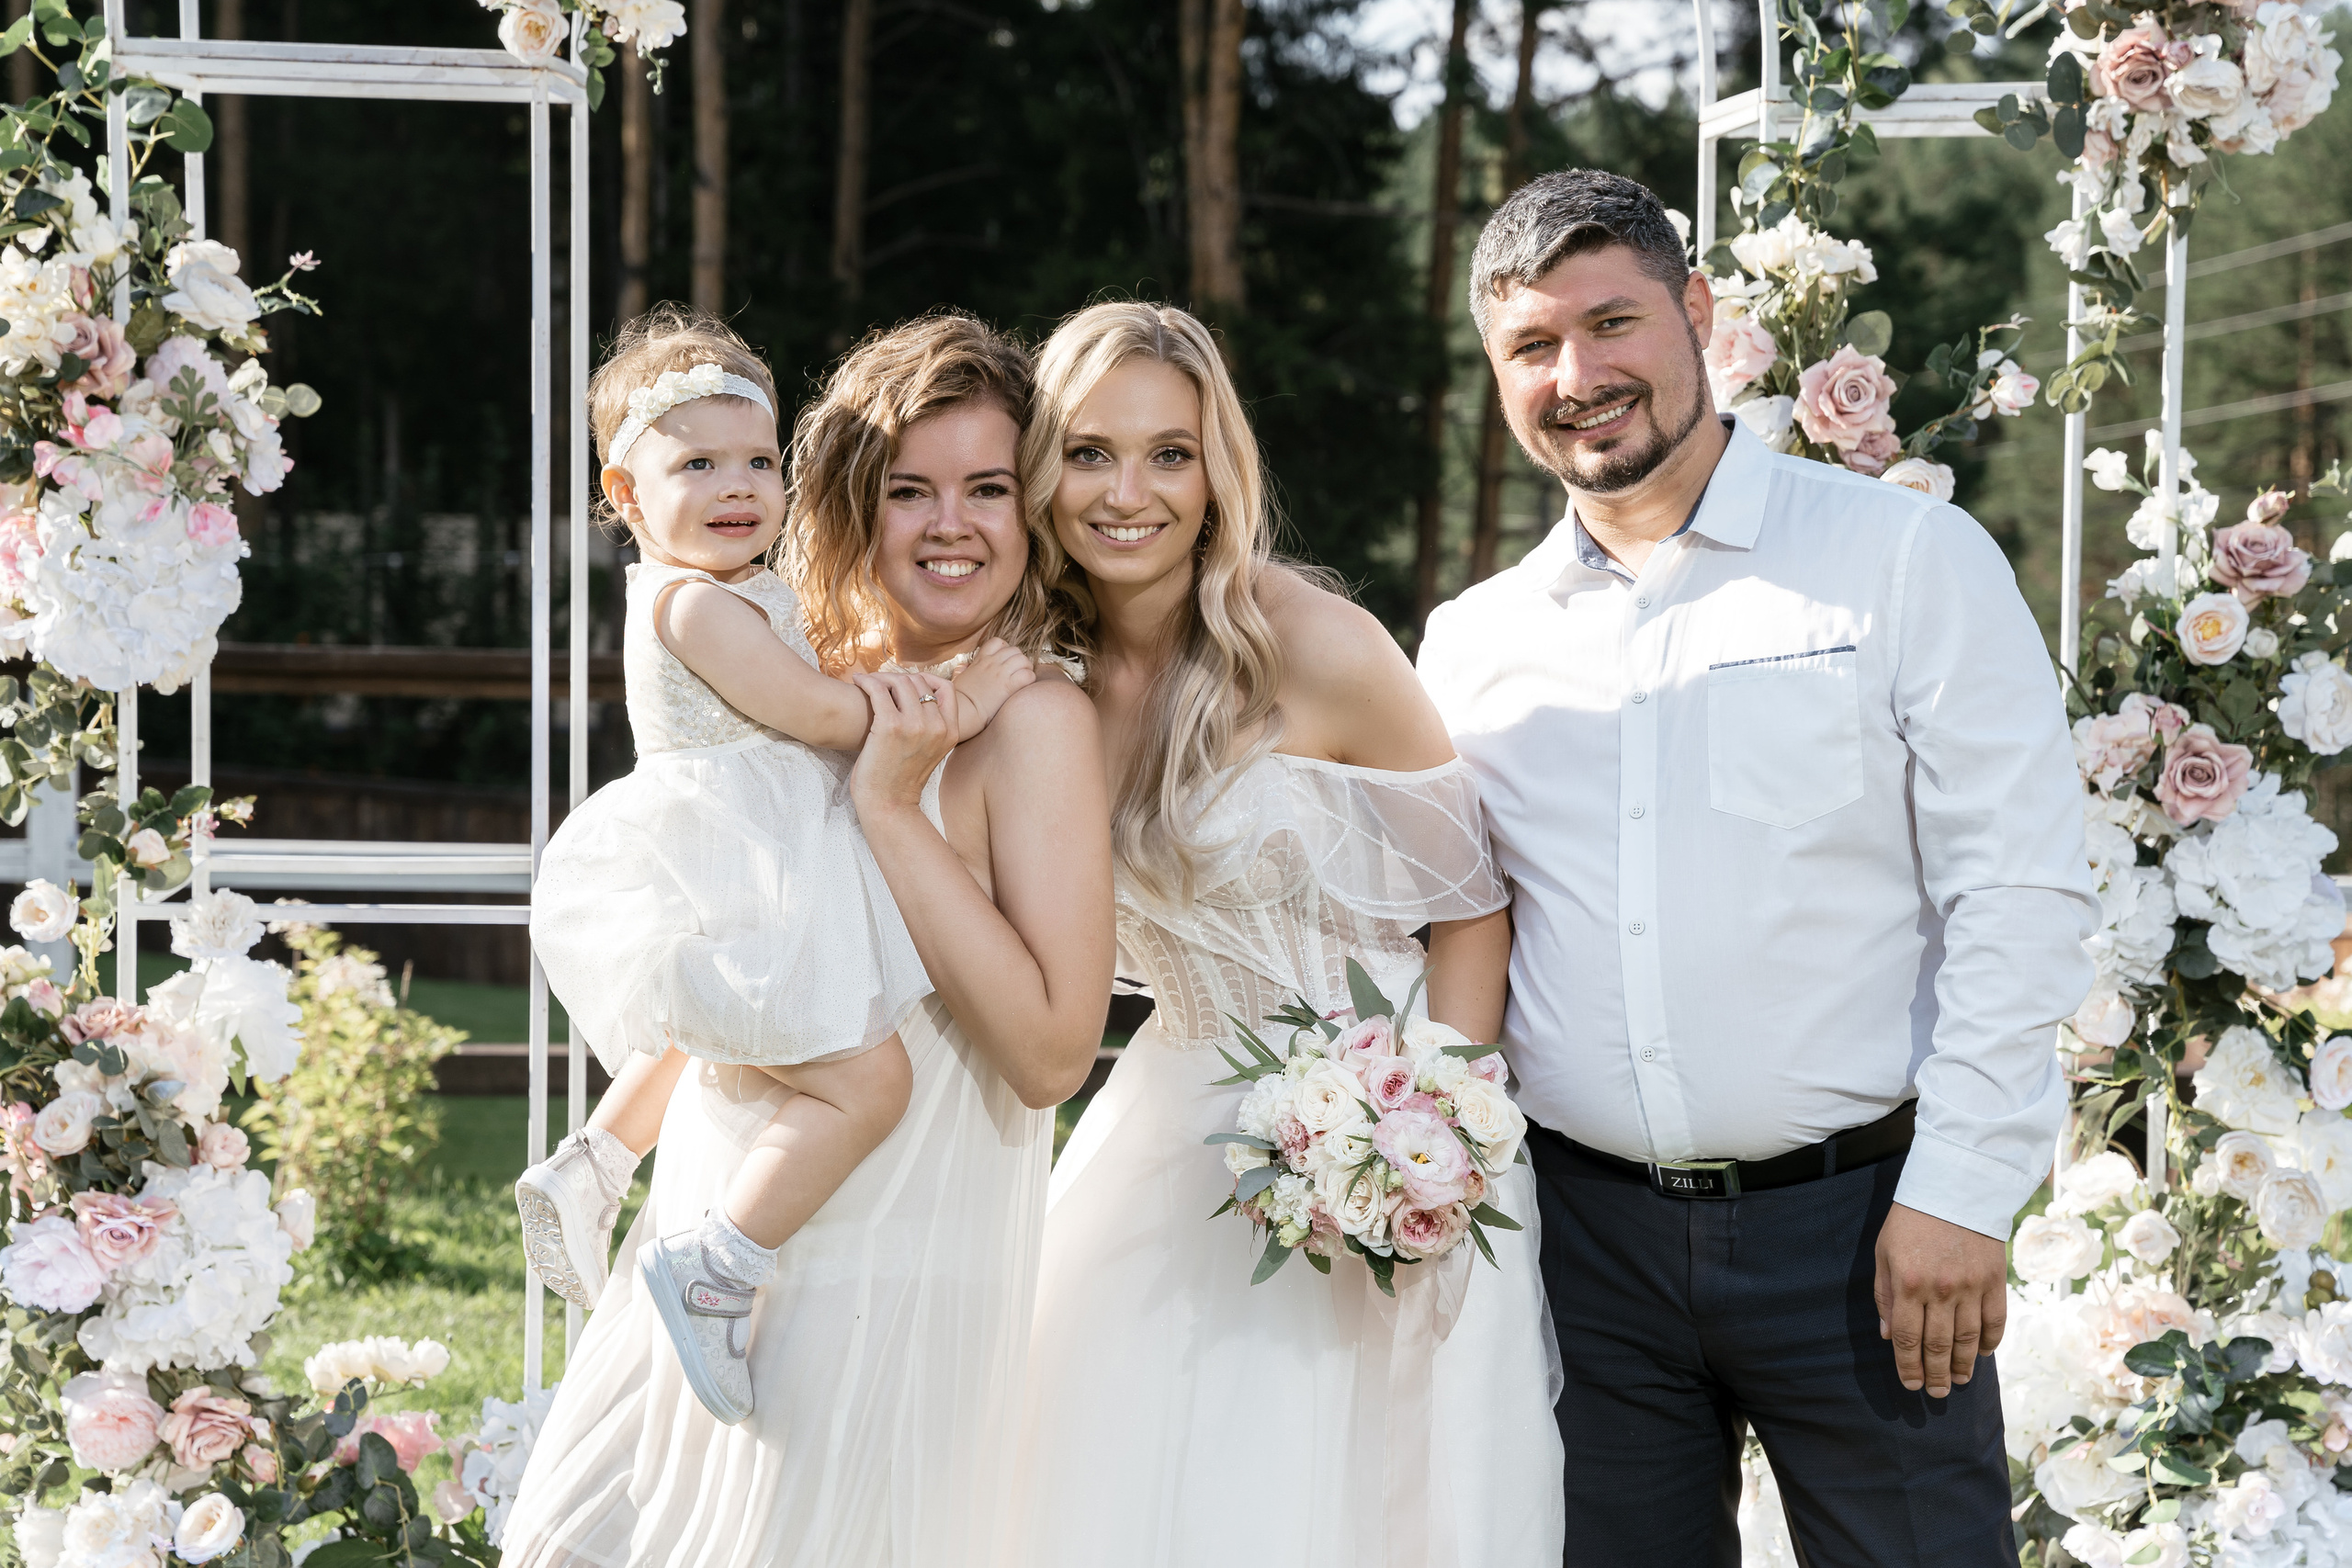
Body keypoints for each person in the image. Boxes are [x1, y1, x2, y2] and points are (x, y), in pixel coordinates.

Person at [1416, 169, 2098, 1565]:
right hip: (1582, 1256)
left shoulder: (1905, 560)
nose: (1578, 376)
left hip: (1864, 1239)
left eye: (1612, 324)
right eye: (1532, 348)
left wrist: (1963, 1190)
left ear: (1700, 313)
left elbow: (2020, 889)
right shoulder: (1472, 644)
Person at [502, 311, 1113, 1568]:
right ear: (847, 498)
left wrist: (892, 800)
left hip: (891, 1256)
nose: (953, 525)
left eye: (989, 488)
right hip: (724, 1224)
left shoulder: (1032, 715)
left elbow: (1054, 1059)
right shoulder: (802, 669)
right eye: (909, 490)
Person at [1010, 301, 1565, 1567]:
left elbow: (1471, 905)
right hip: (1163, 1126)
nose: (1126, 493)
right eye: (1089, 452)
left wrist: (1430, 1121)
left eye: (1169, 453)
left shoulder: (1315, 644)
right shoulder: (1038, 672)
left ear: (1218, 474)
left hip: (1379, 1131)